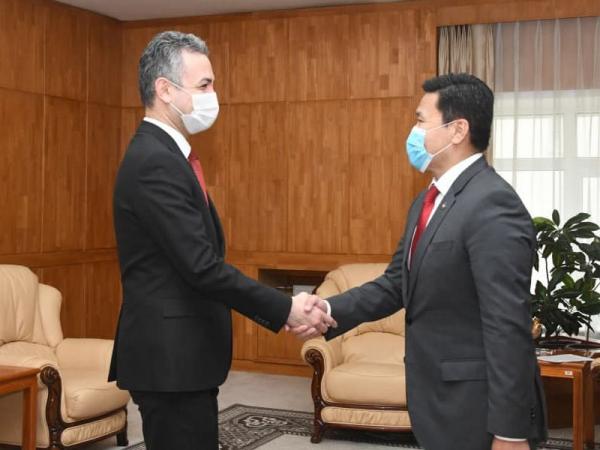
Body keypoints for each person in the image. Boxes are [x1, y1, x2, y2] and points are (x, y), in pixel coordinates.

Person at [292, 73, 547, 450]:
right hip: (436, 401)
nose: (413, 132)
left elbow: (507, 325)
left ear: (457, 130)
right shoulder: (428, 199)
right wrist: (327, 309)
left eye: (421, 120)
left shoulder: (492, 203)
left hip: (475, 408)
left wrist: (510, 432)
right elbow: (397, 283)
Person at [108, 31, 335, 450]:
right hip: (170, 360)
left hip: (182, 358)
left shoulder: (168, 155)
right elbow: (201, 266)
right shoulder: (154, 161)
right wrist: (285, 307)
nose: (213, 95)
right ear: (165, 90)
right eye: (204, 85)